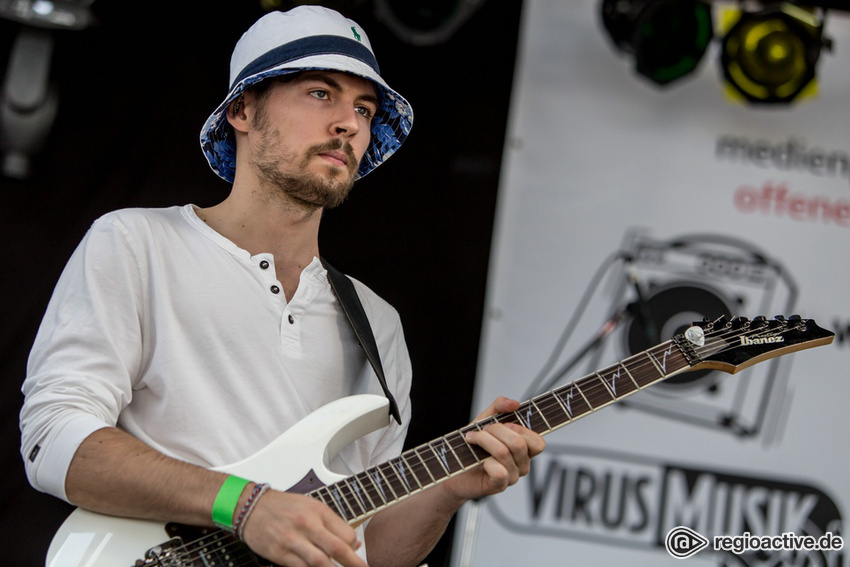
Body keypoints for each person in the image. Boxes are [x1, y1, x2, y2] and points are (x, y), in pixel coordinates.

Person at [20, 6, 544, 567]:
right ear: (243, 109)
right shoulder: (136, 242)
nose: (349, 122)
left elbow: (367, 549)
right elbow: (54, 441)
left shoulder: (377, 323)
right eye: (322, 93)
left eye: (365, 109)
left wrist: (446, 490)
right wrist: (247, 506)